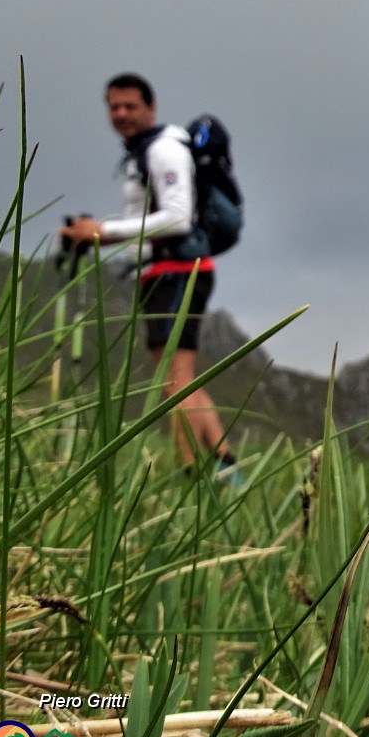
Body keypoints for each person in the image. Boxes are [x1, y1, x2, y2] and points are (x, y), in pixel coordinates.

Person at [61, 73, 240, 483]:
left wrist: (103, 232)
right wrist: (92, 237)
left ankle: (192, 475)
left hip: (178, 272)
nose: (121, 114)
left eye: (130, 106)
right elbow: (147, 228)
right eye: (113, 107)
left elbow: (177, 218)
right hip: (165, 271)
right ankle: (228, 473)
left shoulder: (163, 150)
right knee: (182, 380)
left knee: (173, 384)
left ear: (150, 108)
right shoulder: (142, 154)